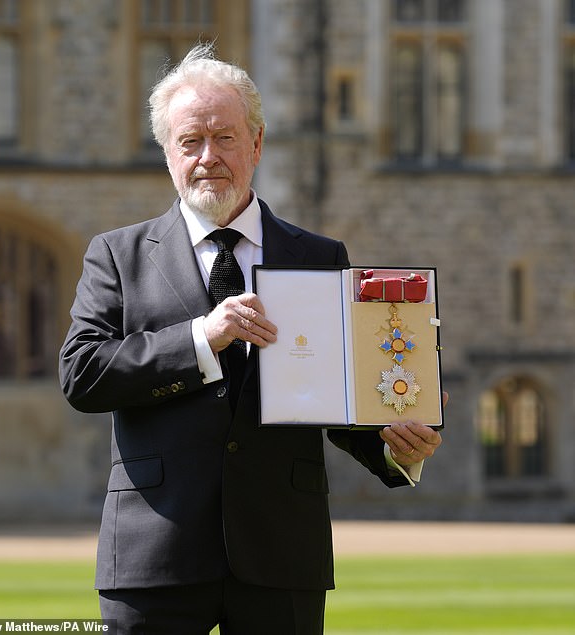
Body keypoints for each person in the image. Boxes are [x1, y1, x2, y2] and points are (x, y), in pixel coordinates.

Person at [59, 43, 443, 635]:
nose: (208, 157)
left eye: (225, 138)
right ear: (167, 154)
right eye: (190, 141)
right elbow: (83, 375)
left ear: (257, 144)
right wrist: (200, 339)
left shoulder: (318, 258)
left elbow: (330, 393)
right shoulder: (116, 255)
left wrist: (392, 446)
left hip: (282, 553)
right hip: (153, 554)